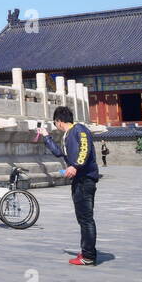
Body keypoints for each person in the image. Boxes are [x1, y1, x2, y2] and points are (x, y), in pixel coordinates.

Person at [37, 106, 100, 267]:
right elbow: (60, 153)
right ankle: (87, 250)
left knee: (86, 219)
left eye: (55, 123)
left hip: (85, 179)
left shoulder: (79, 129)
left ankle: (88, 256)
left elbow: (84, 150)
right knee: (82, 218)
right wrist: (46, 137)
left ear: (58, 121)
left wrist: (75, 166)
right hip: (78, 179)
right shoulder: (68, 135)